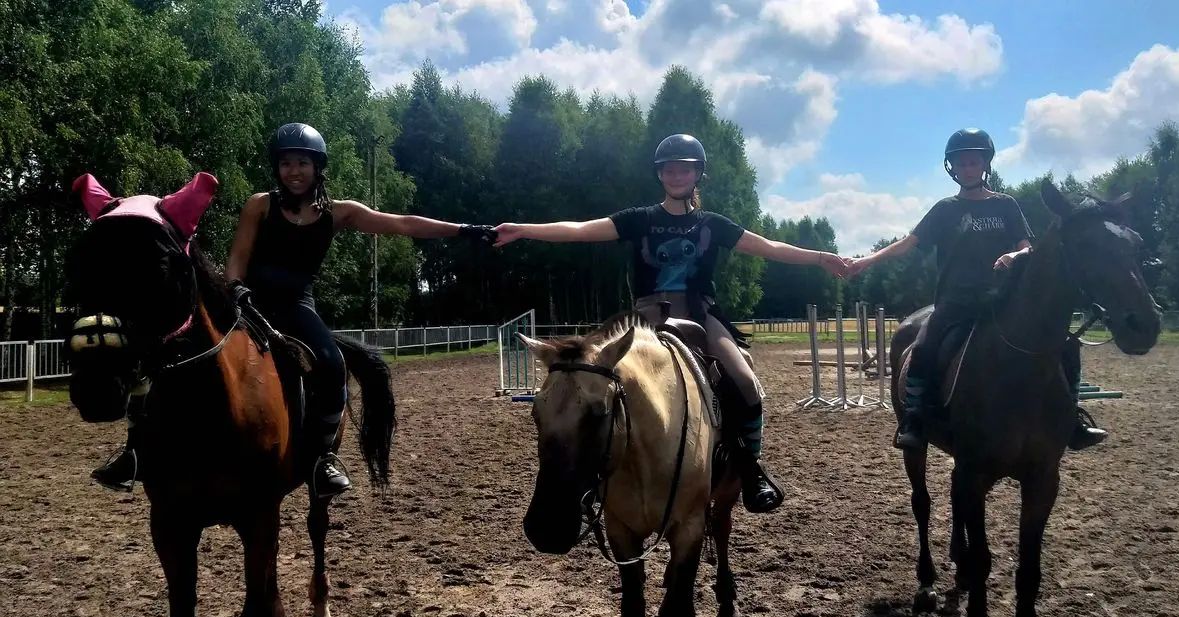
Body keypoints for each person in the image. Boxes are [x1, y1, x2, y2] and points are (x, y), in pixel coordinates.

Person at [92, 122, 495, 496]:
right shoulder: (260, 205)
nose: (294, 171)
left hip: (297, 307)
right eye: (286, 163)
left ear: (318, 167)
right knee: (165, 352)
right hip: (246, 303)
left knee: (332, 364)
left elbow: (403, 223)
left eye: (302, 162)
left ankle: (322, 458)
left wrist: (465, 231)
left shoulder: (339, 212)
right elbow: (238, 257)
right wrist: (236, 287)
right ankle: (136, 451)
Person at [492, 133, 850, 513]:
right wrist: (525, 229)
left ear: (698, 174)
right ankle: (592, 475)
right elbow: (580, 230)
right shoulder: (640, 220)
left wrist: (819, 257)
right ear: (660, 174)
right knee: (593, 376)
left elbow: (769, 246)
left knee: (745, 381)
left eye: (685, 169)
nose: (676, 175)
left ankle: (751, 468)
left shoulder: (713, 224)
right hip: (647, 315)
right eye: (669, 169)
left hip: (701, 313)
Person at [846, 128, 1106, 451]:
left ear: (985, 165)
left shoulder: (1006, 205)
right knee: (923, 347)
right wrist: (867, 260)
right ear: (952, 168)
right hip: (955, 302)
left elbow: (1028, 247)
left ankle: (1071, 419)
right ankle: (913, 418)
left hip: (1003, 300)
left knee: (1067, 344)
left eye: (973, 162)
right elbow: (907, 244)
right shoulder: (944, 210)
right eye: (961, 163)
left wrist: (1014, 255)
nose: (968, 168)